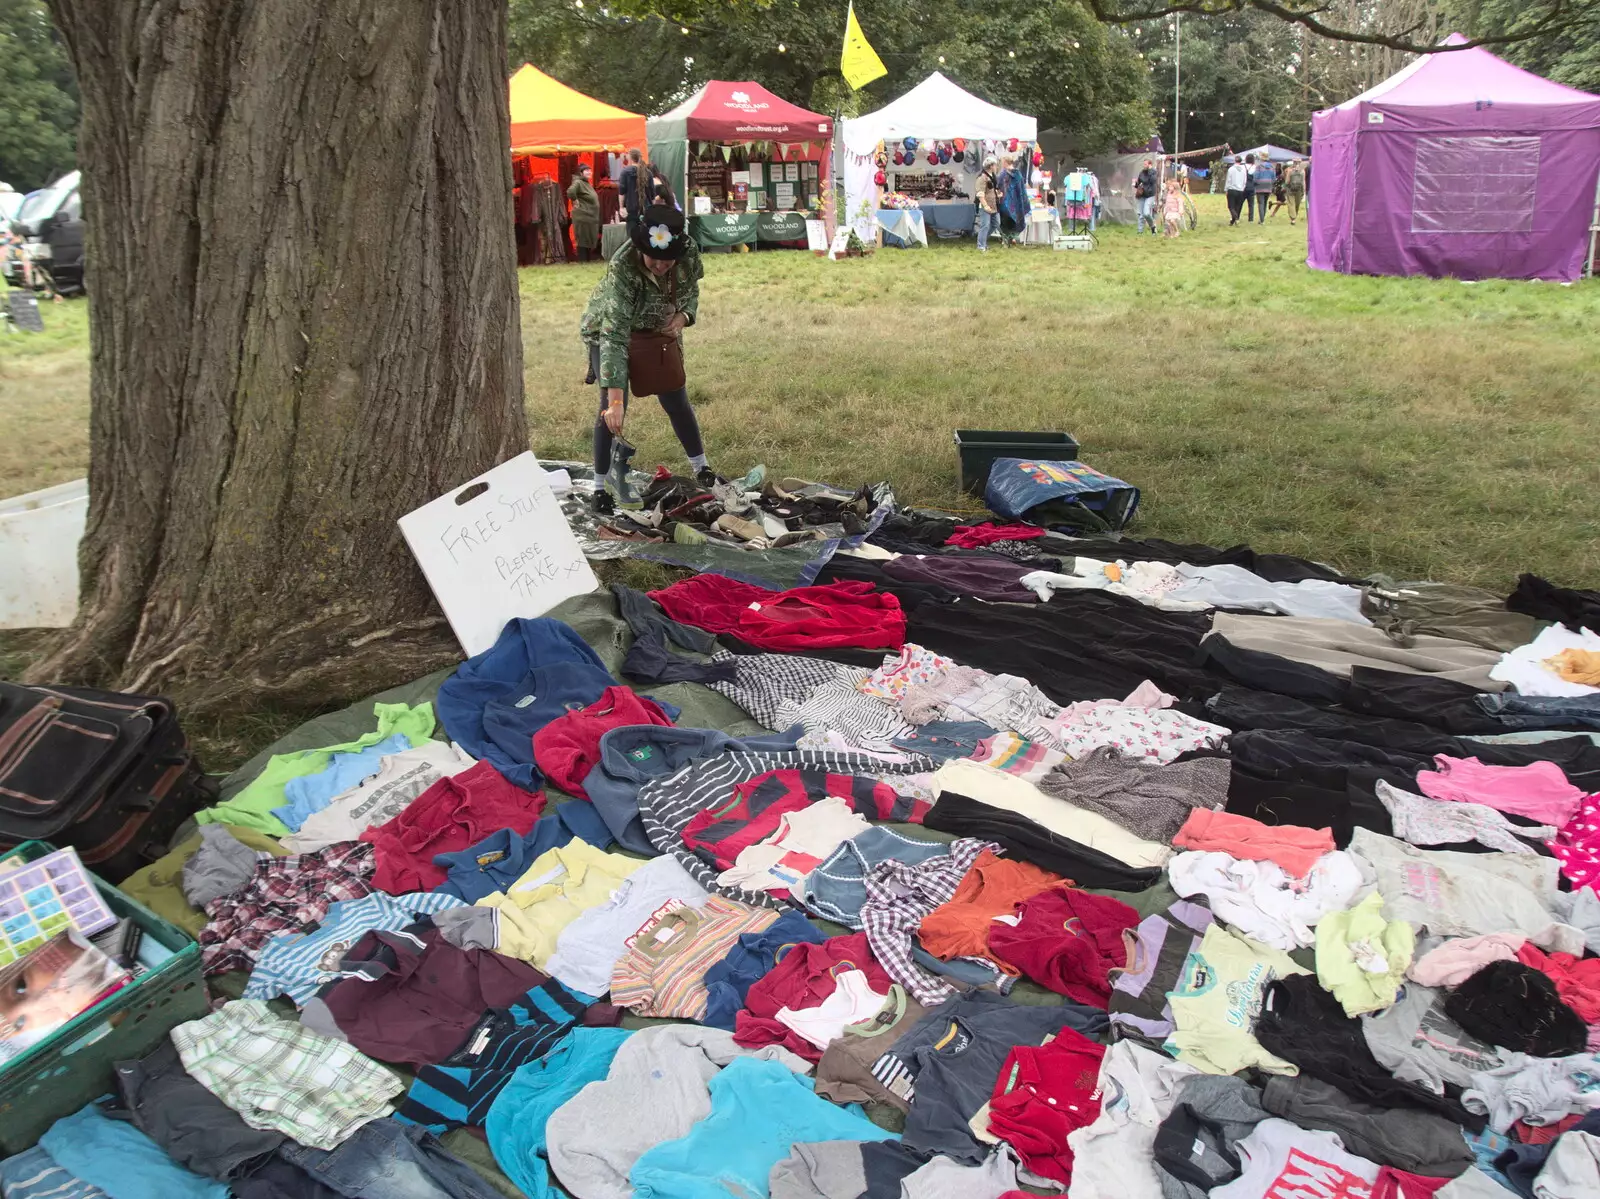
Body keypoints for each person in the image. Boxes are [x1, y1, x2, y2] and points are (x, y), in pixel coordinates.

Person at [579, 203, 720, 509]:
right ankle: (601, 487)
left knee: (675, 395)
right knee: (612, 409)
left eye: (667, 262)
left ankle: (702, 468)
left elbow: (691, 290)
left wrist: (684, 317)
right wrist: (616, 399)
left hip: (654, 329)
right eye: (654, 259)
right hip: (607, 330)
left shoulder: (688, 252)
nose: (660, 266)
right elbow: (614, 334)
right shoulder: (623, 266)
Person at [567, 164, 601, 263]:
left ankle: (587, 262)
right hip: (582, 216)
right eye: (586, 170)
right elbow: (570, 191)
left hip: (589, 217)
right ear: (581, 173)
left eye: (590, 170)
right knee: (582, 240)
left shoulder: (586, 183)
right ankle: (583, 262)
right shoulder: (578, 182)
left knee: (588, 239)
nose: (589, 172)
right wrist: (575, 200)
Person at [975, 156, 1001, 252]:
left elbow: (992, 189)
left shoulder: (993, 176)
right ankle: (981, 245)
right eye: (995, 165)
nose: (996, 167)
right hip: (985, 205)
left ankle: (983, 241)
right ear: (991, 166)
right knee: (985, 225)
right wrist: (985, 205)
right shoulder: (982, 178)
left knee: (996, 224)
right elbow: (980, 193)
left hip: (994, 204)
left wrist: (998, 194)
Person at [618, 148, 645, 235]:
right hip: (646, 210)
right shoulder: (648, 172)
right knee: (645, 238)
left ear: (630, 158)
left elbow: (622, 192)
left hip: (631, 210)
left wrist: (621, 207)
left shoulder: (625, 172)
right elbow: (652, 196)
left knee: (632, 238)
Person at [1134, 157, 1159, 235]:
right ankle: (1140, 231)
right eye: (1143, 164)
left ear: (1150, 165)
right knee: (1140, 214)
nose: (1144, 165)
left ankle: (1153, 227)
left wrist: (1150, 170)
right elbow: (1139, 182)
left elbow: (1153, 181)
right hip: (1142, 195)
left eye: (1145, 164)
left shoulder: (1153, 172)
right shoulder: (1142, 172)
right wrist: (1135, 184)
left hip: (1150, 195)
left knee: (1146, 213)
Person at [1225, 156, 1249, 226]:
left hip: (1232, 189)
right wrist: (1243, 187)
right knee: (1237, 206)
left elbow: (1228, 180)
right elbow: (1245, 180)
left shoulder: (1231, 169)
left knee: (1231, 206)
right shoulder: (1244, 170)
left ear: (1234, 161)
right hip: (1240, 190)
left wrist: (1226, 189)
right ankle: (1233, 221)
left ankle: (1236, 218)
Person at [1252, 155, 1277, 223]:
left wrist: (1255, 183)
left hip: (1260, 186)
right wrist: (1271, 183)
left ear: (1261, 159)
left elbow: (1255, 177)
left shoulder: (1259, 167)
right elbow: (1274, 178)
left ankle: (1262, 220)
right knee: (1265, 202)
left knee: (1260, 203)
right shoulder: (1272, 167)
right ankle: (1262, 218)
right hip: (1268, 185)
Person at [1283, 159, 1306, 225]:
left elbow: (1287, 181)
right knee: (1297, 204)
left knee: (1291, 203)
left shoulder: (1290, 171)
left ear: (1293, 163)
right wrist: (1304, 190)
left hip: (1290, 189)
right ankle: (1294, 216)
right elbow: (1303, 181)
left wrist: (1285, 187)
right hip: (1299, 189)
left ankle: (1293, 218)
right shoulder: (1302, 171)